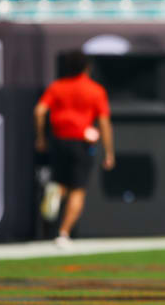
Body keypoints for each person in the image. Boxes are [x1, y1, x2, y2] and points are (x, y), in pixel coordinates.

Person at [34, 50, 115, 247]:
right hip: (81, 143)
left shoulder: (57, 87)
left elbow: (39, 111)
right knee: (78, 189)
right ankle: (63, 232)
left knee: (60, 182)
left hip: (59, 140)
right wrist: (109, 152)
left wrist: (41, 138)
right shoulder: (95, 90)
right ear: (87, 67)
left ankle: (54, 195)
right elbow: (104, 123)